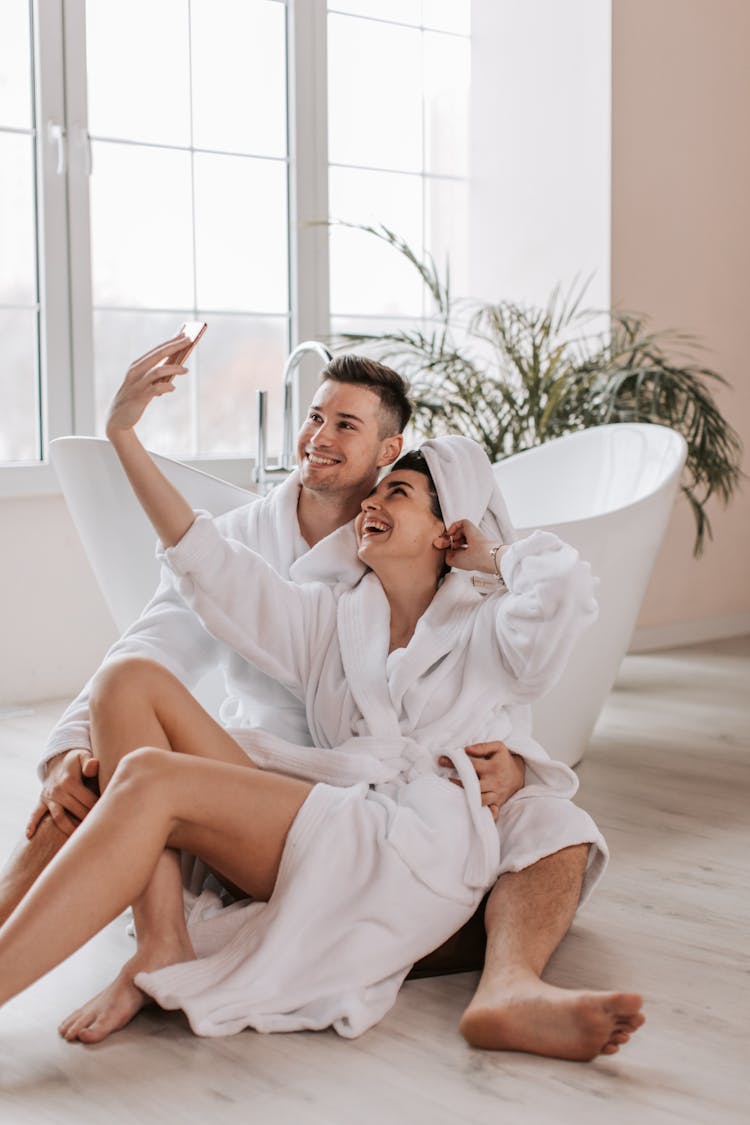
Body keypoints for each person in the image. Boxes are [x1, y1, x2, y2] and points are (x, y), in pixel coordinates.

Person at [0, 336, 639, 1058]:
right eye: (316, 416)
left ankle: (510, 983)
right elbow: (201, 570)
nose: (321, 438)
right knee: (119, 706)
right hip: (294, 790)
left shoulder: (483, 622)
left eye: (389, 481)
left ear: (445, 530)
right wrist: (124, 435)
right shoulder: (335, 616)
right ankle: (160, 941)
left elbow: (560, 600)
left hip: (397, 829)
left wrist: (492, 561)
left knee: (555, 820)